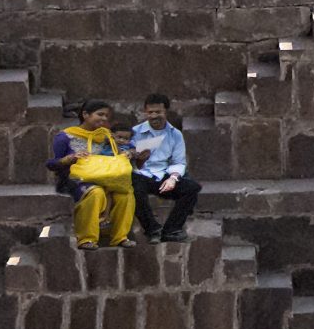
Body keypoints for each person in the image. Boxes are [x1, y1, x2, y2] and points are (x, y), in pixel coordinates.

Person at [49, 99, 142, 249]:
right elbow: (51, 164)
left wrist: (132, 153)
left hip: (108, 177)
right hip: (78, 179)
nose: (104, 119)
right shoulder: (66, 136)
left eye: (106, 116)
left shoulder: (107, 136)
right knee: (95, 193)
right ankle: (87, 239)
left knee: (126, 195)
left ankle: (120, 237)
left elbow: (127, 148)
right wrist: (67, 160)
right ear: (85, 114)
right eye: (100, 114)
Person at [129, 93, 202, 243]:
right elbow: (126, 156)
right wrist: (135, 157)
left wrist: (173, 179)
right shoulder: (135, 132)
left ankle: (172, 229)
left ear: (165, 112)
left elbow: (179, 162)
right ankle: (152, 229)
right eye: (150, 112)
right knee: (134, 188)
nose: (154, 116)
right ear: (145, 112)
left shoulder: (175, 135)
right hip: (140, 174)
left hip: (163, 175)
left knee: (192, 188)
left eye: (158, 112)